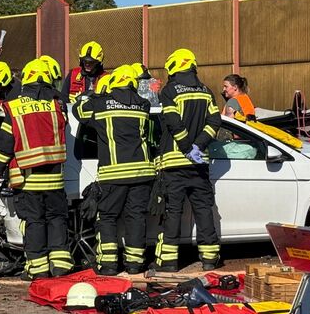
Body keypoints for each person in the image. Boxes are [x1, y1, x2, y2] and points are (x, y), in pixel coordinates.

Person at [0, 58, 73, 280]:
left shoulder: (15, 108)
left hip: (29, 179)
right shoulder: (57, 105)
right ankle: (61, 266)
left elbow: (7, 142)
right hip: (56, 178)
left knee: (35, 222)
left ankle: (38, 270)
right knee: (57, 219)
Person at [74, 65, 155, 275]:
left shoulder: (101, 104)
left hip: (114, 173)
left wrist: (96, 94)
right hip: (142, 172)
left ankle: (108, 265)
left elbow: (78, 111)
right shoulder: (143, 104)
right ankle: (135, 264)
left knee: (107, 217)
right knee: (136, 217)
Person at [154, 49, 223, 271]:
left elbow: (173, 122)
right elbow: (215, 121)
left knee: (173, 211)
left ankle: (169, 262)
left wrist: (185, 147)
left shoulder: (170, 90)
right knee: (204, 210)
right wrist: (199, 145)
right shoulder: (206, 91)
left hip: (174, 163)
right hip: (199, 163)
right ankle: (210, 260)